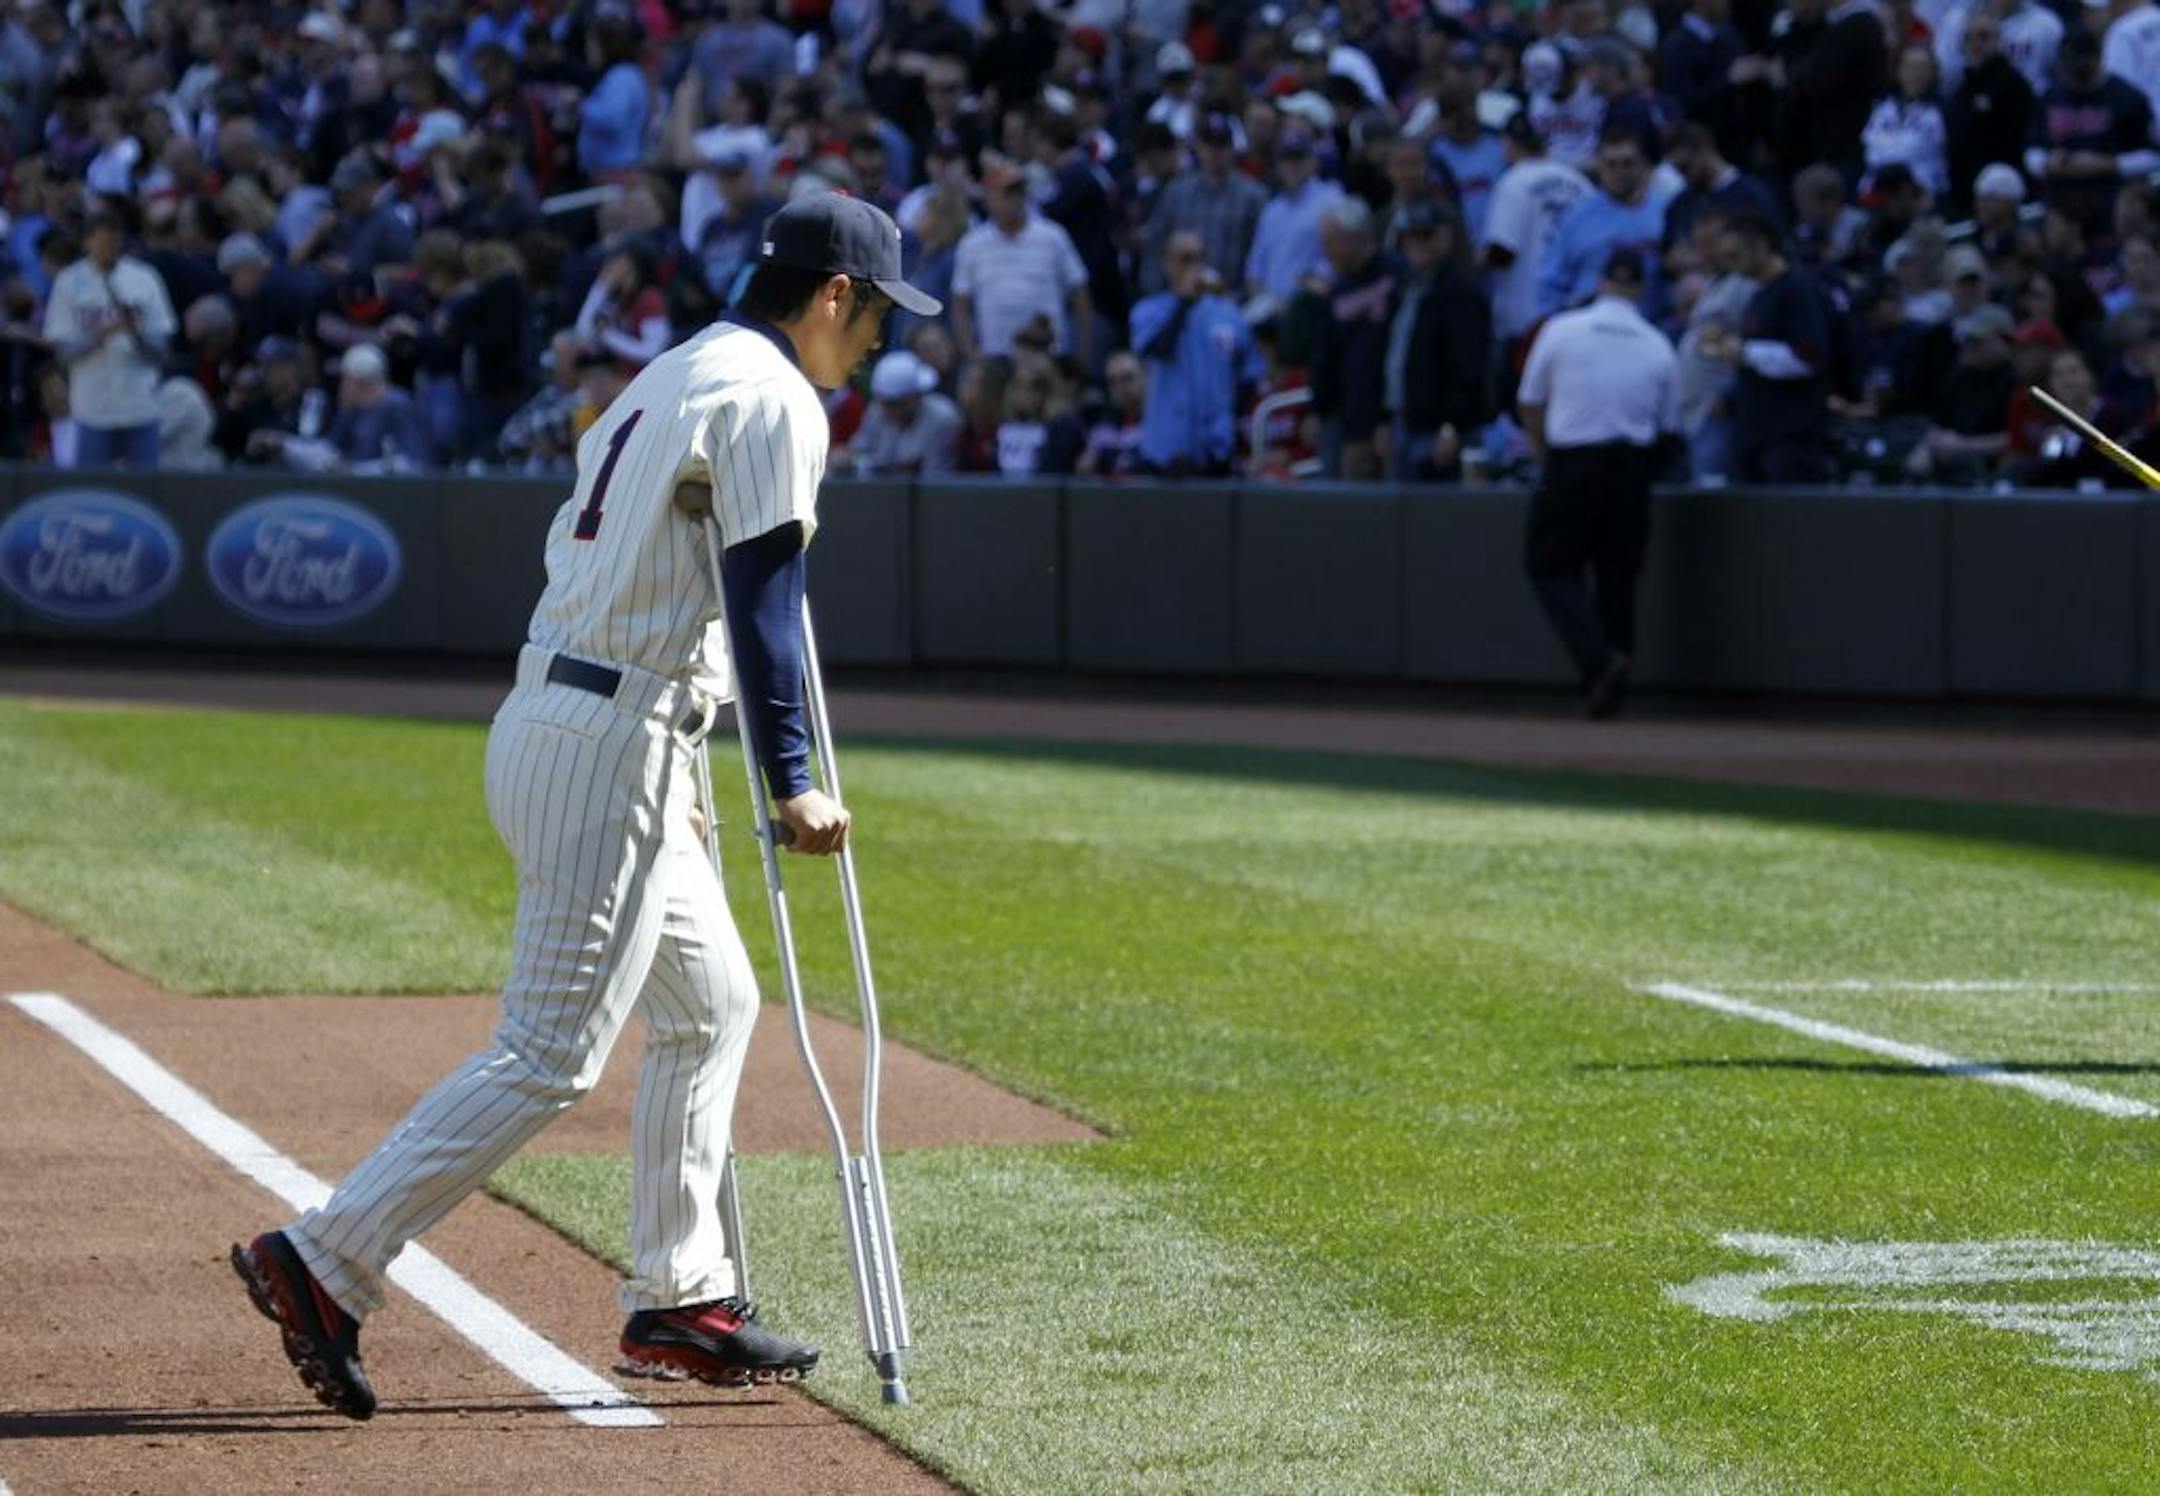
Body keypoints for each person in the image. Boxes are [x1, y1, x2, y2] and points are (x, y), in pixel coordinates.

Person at [231, 193, 944, 1420]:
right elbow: (767, 595)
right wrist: (790, 778)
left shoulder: (665, 371)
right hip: (612, 737)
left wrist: (690, 759)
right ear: (833, 295)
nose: (875, 338)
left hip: (581, 717)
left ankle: (681, 1295)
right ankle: (327, 1255)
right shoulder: (775, 393)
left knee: (713, 1002)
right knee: (549, 1051)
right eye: (874, 312)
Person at [1515, 247, 1679, 719]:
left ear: (1602, 282)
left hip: (1572, 460)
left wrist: (1546, 458)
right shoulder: (1656, 343)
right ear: (1640, 289)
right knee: (1618, 576)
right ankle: (1612, 681)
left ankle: (1599, 662)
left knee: (1548, 565)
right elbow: (1668, 427)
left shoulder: (1563, 329)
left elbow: (1530, 402)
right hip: (1631, 467)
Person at [1706, 213, 1842, 483]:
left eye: (1736, 255)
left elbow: (1808, 357)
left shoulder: (1795, 289)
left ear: (1761, 245)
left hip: (1789, 440)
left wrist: (1744, 352)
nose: (1733, 266)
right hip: (1755, 436)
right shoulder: (1759, 293)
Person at [41, 207, 176, 468]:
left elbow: (162, 351)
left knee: (145, 491)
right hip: (92, 409)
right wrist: (98, 335)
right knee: (93, 490)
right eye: (101, 242)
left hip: (140, 404)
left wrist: (135, 333)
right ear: (88, 241)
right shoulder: (69, 282)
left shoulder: (144, 279)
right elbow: (62, 353)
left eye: (113, 243)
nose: (107, 249)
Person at [1382, 202, 1489, 482]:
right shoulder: (1403, 288)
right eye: (1410, 236)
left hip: (1440, 430)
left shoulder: (1461, 293)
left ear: (1445, 237)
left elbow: (1470, 366)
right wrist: (1382, 418)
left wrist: (1452, 425)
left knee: (1439, 518)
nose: (1418, 244)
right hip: (1403, 422)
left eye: (1426, 235)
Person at [1129, 229, 1250, 476]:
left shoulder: (1228, 314)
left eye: (1199, 258)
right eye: (1185, 259)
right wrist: (1184, 302)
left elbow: (1247, 373)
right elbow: (1157, 350)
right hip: (1165, 448)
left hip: (1216, 446)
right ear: (1168, 264)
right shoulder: (1149, 310)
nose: (1194, 266)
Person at [951, 157, 1093, 364]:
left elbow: (1080, 294)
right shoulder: (971, 244)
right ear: (988, 199)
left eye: (1018, 192)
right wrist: (971, 354)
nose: (1014, 199)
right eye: (1006, 193)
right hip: (996, 358)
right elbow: (960, 305)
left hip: (1048, 354)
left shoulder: (1053, 236)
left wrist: (1082, 353)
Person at [1482, 114, 1592, 350]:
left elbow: (1501, 252)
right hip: (1576, 316)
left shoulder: (1513, 182)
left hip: (1525, 322)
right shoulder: (1580, 182)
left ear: (1508, 143)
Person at [846, 348, 962, 474]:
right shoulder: (877, 410)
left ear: (915, 396)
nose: (888, 410)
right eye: (886, 403)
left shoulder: (942, 418)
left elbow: (936, 478)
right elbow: (857, 451)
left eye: (896, 404)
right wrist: (849, 459)